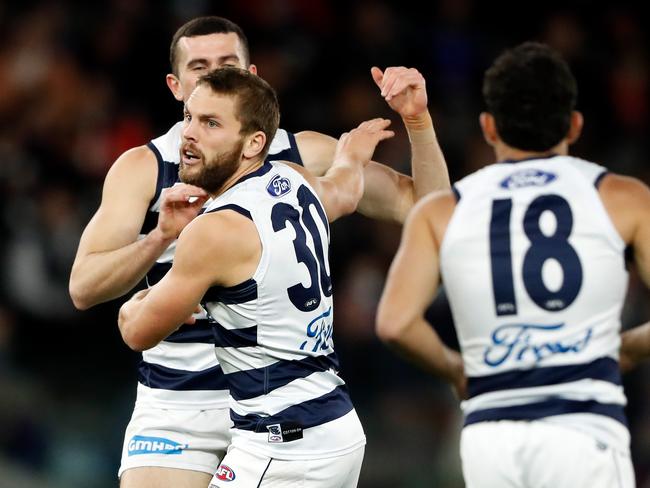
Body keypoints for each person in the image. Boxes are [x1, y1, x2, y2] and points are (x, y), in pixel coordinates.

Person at [68, 16, 447, 487]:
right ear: (176, 86)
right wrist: (158, 239)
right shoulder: (145, 167)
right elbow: (83, 288)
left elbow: (425, 208)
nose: (211, 76)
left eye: (225, 64)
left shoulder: (300, 155)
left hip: (274, 403)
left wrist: (418, 122)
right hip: (182, 400)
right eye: (199, 67)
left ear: (251, 76)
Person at [376, 41, 650, 488]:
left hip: (492, 434)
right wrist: (628, 348)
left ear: (488, 127)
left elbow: (394, 323)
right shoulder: (623, 197)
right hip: (583, 426)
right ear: (575, 124)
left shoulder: (444, 210)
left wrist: (456, 369)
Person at [119, 67, 392, 487]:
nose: (189, 134)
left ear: (253, 143)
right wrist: (353, 154)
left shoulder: (215, 231)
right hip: (334, 423)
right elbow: (345, 190)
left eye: (211, 123)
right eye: (189, 117)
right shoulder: (293, 180)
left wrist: (137, 301)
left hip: (282, 443)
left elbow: (137, 332)